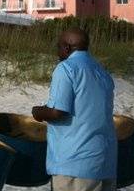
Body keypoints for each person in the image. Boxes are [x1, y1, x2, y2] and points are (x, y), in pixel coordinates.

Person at [32, 28, 117, 191]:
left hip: (75, 164)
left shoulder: (66, 68)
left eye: (58, 46)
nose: (57, 51)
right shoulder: (101, 71)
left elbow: (58, 112)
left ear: (67, 48)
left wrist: (38, 112)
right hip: (105, 162)